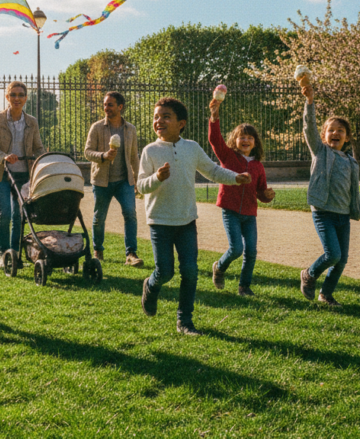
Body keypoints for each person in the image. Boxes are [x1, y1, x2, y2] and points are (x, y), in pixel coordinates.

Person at [137, 98, 250, 336]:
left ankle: (184, 321)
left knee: (189, 271)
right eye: (156, 116)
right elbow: (140, 186)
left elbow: (213, 170)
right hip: (160, 222)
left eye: (166, 116)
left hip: (187, 220)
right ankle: (151, 285)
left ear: (181, 123)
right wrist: (156, 177)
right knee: (165, 272)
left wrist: (234, 177)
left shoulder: (192, 147)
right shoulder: (150, 151)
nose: (159, 121)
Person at [299, 84, 360, 307]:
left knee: (341, 260)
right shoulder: (320, 151)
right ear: (323, 136)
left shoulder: (351, 162)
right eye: (331, 130)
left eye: (340, 131)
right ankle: (309, 274)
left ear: (347, 138)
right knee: (332, 254)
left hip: (343, 215)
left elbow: (354, 193)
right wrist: (310, 102)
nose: (335, 133)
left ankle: (326, 294)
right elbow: (308, 128)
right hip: (323, 212)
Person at [208, 96, 276, 297]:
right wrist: (214, 116)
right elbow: (214, 139)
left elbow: (261, 192)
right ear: (234, 140)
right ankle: (219, 267)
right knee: (236, 248)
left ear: (255, 143)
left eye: (249, 138)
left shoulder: (258, 166)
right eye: (241, 137)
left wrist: (267, 195)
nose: (245, 140)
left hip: (249, 214)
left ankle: (244, 287)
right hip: (230, 211)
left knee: (251, 252)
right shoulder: (227, 156)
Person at [0, 80, 45, 270]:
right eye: (13, 95)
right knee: (5, 214)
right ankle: (3, 255)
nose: (17, 98)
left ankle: (15, 253)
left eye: (20, 95)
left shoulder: (32, 122)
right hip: (1, 173)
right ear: (7, 97)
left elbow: (38, 147)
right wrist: (4, 156)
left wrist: (44, 160)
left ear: (26, 98)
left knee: (19, 216)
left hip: (23, 175)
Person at [83, 91, 143, 267]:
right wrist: (103, 155)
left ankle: (131, 253)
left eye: (110, 104)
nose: (106, 108)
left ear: (120, 107)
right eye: (105, 104)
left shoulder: (130, 129)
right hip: (102, 181)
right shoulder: (97, 127)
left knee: (130, 214)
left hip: (124, 181)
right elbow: (87, 152)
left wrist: (138, 180)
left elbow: (134, 156)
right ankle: (98, 250)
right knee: (99, 217)